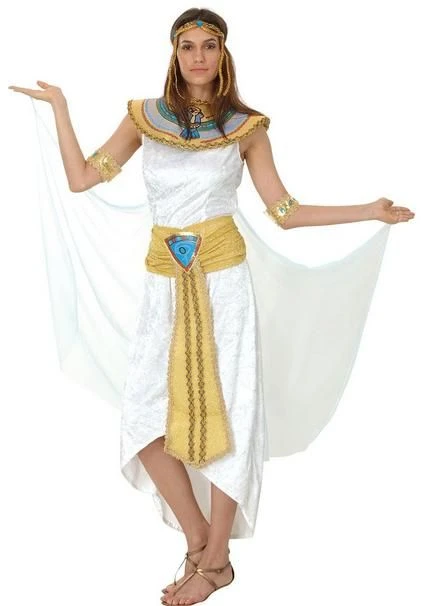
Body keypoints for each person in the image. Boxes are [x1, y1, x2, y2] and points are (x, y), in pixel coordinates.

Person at [8, 7, 415, 606]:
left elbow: (284, 212)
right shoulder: (144, 118)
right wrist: (61, 109)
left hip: (224, 284)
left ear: (224, 54)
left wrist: (367, 211)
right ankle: (199, 539)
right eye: (188, 46)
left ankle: (217, 559)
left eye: (209, 46)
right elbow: (82, 178)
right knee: (143, 416)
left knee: (232, 411)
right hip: (164, 285)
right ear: (174, 54)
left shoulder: (246, 128)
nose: (198, 56)